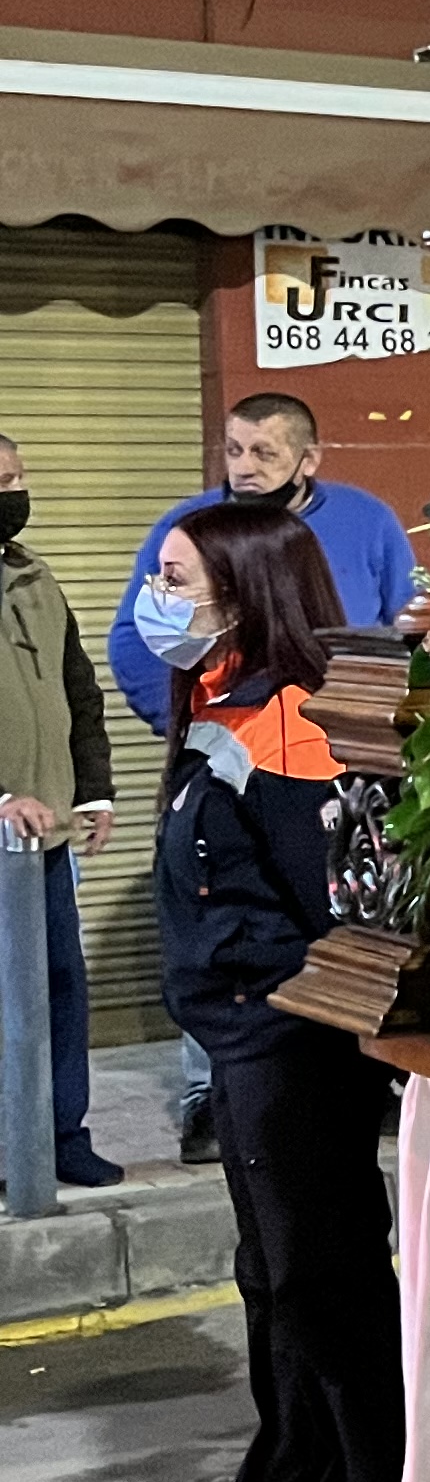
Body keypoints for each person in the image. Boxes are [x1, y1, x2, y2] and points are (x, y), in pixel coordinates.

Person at [138, 501, 404, 1482]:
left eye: (178, 577)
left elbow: (330, 914)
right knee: (273, 1287)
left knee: (327, 1294)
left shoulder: (292, 728)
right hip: (241, 1041)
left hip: (291, 1049)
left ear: (245, 592)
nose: (157, 595)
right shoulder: (222, 707)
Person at [112, 392, 418, 1165]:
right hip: (240, 1019)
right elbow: (131, 643)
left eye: (265, 454)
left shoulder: (290, 724)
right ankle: (203, 1096)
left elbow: (318, 903)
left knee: (304, 1242)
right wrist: (192, 726)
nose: (243, 468)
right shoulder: (196, 528)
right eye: (234, 450)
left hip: (279, 1027)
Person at [0, 432, 122, 1184]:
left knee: (59, 986)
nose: (15, 492)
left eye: (16, 476)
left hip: (44, 840)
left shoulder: (37, 578)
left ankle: (59, 1134)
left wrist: (94, 789)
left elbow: (79, 690)